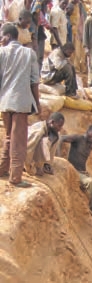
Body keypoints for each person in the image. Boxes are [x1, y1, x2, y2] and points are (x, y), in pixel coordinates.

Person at [0, 23, 40, 188]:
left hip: (5, 101)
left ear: (8, 36)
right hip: (21, 101)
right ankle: (15, 177)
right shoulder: (28, 53)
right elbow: (34, 81)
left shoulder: (1, 53)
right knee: (19, 141)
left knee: (9, 137)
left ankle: (2, 169)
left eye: (1, 36)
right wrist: (37, 103)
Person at [57, 125, 92, 231]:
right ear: (87, 131)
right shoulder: (78, 138)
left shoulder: (91, 144)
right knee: (90, 183)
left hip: (83, 172)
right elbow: (61, 138)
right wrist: (59, 157)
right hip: (75, 171)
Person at [25, 112, 65, 176]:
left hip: (31, 152)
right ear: (52, 122)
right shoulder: (39, 131)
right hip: (22, 155)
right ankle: (37, 166)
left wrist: (47, 163)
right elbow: (28, 150)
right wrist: (31, 169)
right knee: (46, 142)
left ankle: (46, 164)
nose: (60, 129)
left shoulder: (49, 128)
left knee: (56, 136)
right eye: (59, 126)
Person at [31, 0, 53, 72]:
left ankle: (37, 73)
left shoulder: (44, 5)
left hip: (39, 30)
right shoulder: (38, 3)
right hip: (34, 31)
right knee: (37, 54)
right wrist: (46, 24)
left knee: (40, 55)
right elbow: (36, 17)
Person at [70, 0, 87, 73]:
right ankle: (76, 68)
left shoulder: (81, 5)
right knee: (76, 50)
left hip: (82, 30)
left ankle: (83, 67)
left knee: (83, 50)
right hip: (74, 30)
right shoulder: (70, 5)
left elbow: (84, 18)